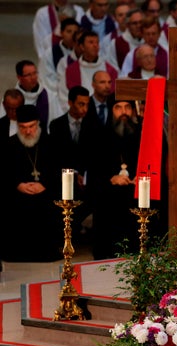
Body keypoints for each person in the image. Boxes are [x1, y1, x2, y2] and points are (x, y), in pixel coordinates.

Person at [86, 100, 166, 259]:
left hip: (137, 194)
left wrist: (144, 175)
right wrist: (111, 178)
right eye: (118, 107)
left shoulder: (143, 134)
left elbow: (157, 161)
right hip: (109, 197)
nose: (124, 112)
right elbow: (93, 172)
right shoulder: (99, 136)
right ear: (111, 111)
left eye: (127, 107)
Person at [3, 105, 63, 262]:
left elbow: (60, 170)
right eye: (23, 127)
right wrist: (18, 185)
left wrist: (45, 185)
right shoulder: (9, 145)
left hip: (46, 193)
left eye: (31, 126)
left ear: (37, 124)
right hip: (18, 195)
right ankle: (17, 252)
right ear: (17, 126)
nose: (28, 131)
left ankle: (48, 250)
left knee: (49, 204)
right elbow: (3, 173)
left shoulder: (51, 143)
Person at [58, 31, 118, 111]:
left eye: (97, 42)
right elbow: (64, 97)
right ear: (82, 47)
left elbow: (116, 96)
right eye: (91, 42)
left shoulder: (110, 70)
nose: (95, 45)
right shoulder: (71, 71)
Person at [8, 61, 56, 130]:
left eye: (35, 73)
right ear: (19, 77)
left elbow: (56, 122)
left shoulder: (50, 96)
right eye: (29, 75)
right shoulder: (10, 99)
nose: (33, 77)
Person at [39, 17, 80, 99]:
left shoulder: (82, 52)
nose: (72, 35)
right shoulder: (50, 53)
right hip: (57, 94)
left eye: (75, 32)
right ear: (61, 33)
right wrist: (64, 91)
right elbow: (46, 78)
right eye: (69, 31)